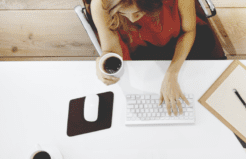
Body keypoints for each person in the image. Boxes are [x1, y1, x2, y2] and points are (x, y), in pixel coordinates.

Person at [90, 0, 224, 116]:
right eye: (123, 13)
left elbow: (188, 31)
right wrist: (102, 62)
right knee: (151, 91)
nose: (132, 19)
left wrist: (172, 74)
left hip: (179, 39)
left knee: (202, 89)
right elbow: (111, 49)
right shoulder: (101, 4)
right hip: (142, 48)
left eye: (138, 12)